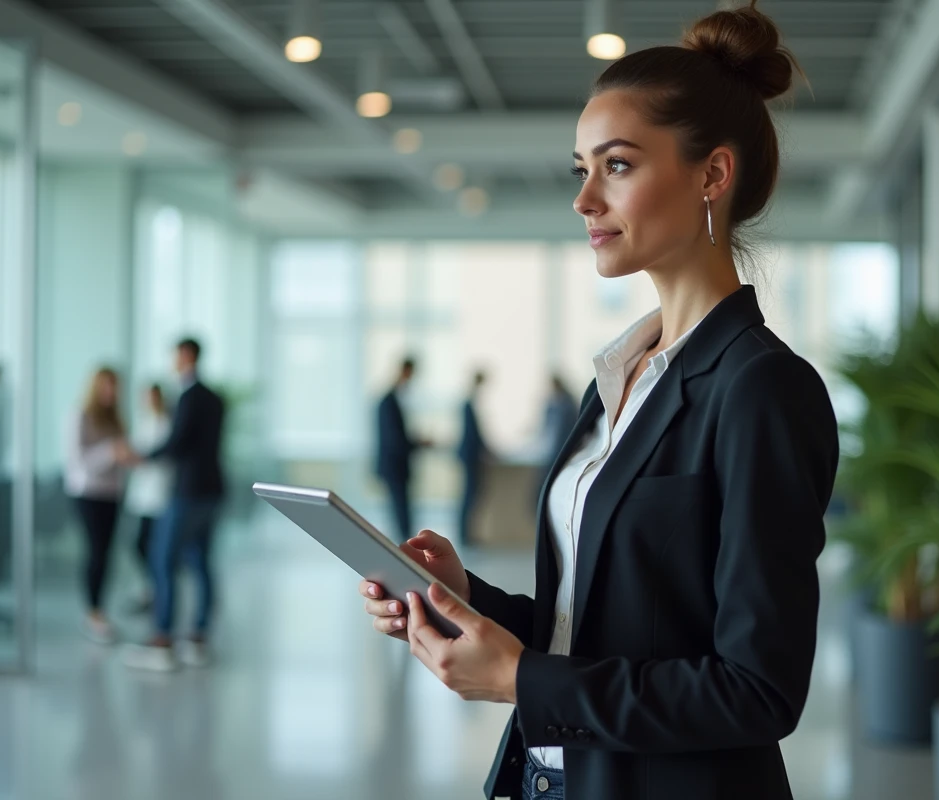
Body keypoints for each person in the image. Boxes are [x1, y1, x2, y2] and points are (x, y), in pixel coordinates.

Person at [360, 4, 840, 799]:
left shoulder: (762, 388)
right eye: (581, 168)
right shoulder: (616, 377)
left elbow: (759, 691)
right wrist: (466, 598)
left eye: (616, 165)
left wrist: (522, 684)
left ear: (712, 174)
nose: (585, 199)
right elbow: (593, 626)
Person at [123, 339, 226, 672]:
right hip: (213, 489)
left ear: (186, 356)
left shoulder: (189, 396)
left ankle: (162, 639)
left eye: (176, 356)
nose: (174, 362)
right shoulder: (215, 398)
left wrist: (144, 457)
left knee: (162, 557)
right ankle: (198, 637)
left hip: (188, 491)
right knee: (200, 558)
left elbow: (178, 442)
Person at [64, 367, 135, 645]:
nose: (111, 392)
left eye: (115, 387)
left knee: (106, 553)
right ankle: (92, 612)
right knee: (95, 552)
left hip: (112, 494)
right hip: (87, 494)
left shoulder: (116, 419)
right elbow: (77, 461)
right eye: (106, 386)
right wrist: (110, 452)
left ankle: (100, 609)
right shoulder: (79, 415)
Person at [122, 383, 172, 614]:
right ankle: (151, 589)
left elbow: (160, 455)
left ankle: (156, 591)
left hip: (160, 493)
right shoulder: (143, 421)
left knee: (151, 545)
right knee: (141, 545)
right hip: (144, 493)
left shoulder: (167, 424)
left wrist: (140, 458)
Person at [374, 357, 426, 543]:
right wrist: (418, 444)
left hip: (396, 465)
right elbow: (394, 439)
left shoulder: (393, 400)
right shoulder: (388, 402)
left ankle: (407, 548)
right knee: (400, 511)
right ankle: (407, 550)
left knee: (401, 510)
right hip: (394, 466)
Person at [456, 370, 490, 547]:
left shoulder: (469, 404)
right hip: (470, 457)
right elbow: (473, 435)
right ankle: (464, 535)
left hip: (470, 456)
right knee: (468, 495)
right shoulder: (468, 405)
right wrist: (486, 450)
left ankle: (466, 534)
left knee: (471, 495)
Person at [533, 374, 577, 508]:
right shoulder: (553, 406)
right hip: (550, 456)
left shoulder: (567, 407)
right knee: (539, 496)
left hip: (559, 456)